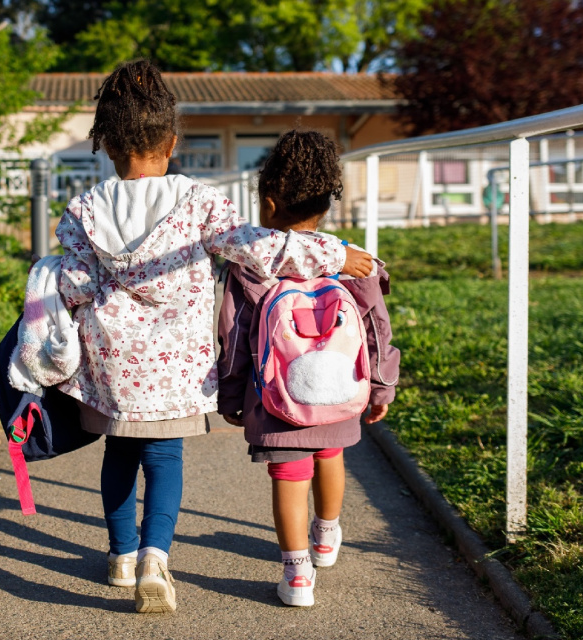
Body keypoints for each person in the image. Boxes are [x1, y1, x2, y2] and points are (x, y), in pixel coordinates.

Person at [55, 62, 375, 614]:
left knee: (118, 457)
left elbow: (75, 285)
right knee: (164, 459)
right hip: (174, 368)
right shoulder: (200, 203)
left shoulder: (83, 211)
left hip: (110, 365)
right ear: (173, 142)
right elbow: (260, 247)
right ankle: (156, 555)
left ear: (105, 146)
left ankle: (121, 557)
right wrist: (334, 254)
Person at [216, 129, 401, 607]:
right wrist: (381, 386)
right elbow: (376, 328)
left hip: (276, 396)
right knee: (330, 457)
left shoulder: (253, 265)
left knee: (289, 475)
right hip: (338, 388)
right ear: (325, 205)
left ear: (270, 204)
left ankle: (297, 576)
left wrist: (232, 394)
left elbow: (234, 334)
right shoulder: (350, 261)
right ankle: (326, 536)